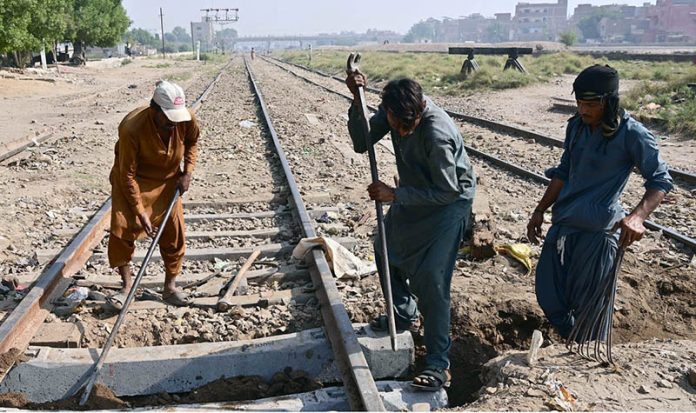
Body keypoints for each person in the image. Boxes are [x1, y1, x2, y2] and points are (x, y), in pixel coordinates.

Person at [345, 73, 476, 391]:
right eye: (397, 125)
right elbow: (362, 142)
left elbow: (447, 191)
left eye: (408, 127)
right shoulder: (394, 112)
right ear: (388, 111)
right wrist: (356, 99)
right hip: (416, 191)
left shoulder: (436, 133)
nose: (402, 132)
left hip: (449, 203)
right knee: (384, 246)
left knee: (432, 278)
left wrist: (395, 195)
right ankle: (403, 312)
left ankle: (438, 365)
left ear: (419, 110)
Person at [528, 65, 673, 338]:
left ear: (609, 102)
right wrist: (539, 209)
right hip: (564, 224)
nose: (583, 110)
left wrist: (637, 217)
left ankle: (586, 360)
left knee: (591, 309)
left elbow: (661, 180)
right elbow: (563, 171)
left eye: (591, 104)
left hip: (597, 234)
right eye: (579, 103)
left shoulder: (633, 134)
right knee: (549, 297)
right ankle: (573, 341)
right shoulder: (576, 127)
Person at [108, 80, 200, 308]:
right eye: (168, 118)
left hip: (168, 179)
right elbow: (126, 175)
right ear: (154, 110)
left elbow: (192, 143)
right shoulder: (132, 128)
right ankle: (127, 287)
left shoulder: (186, 118)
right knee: (122, 232)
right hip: (133, 179)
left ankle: (170, 288)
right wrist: (139, 211)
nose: (173, 123)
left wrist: (187, 172)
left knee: (174, 232)